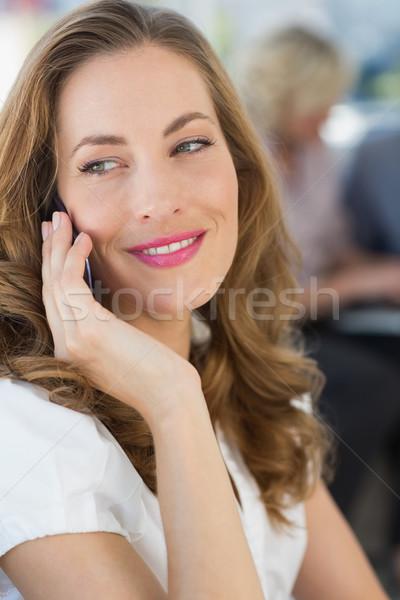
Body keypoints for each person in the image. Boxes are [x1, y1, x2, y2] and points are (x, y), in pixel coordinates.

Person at [0, 2, 388, 598]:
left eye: (188, 145)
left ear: (238, 166)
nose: (159, 199)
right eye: (102, 163)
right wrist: (172, 399)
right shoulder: (23, 429)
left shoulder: (247, 379)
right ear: (48, 212)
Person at [238, 25, 400, 530]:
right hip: (264, 326)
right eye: (320, 102)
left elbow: (333, 247)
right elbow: (260, 302)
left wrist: (378, 271)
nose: (330, 113)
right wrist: (367, 283)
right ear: (286, 97)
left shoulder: (315, 151)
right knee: (369, 386)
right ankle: (326, 542)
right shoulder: (245, 163)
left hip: (317, 315)